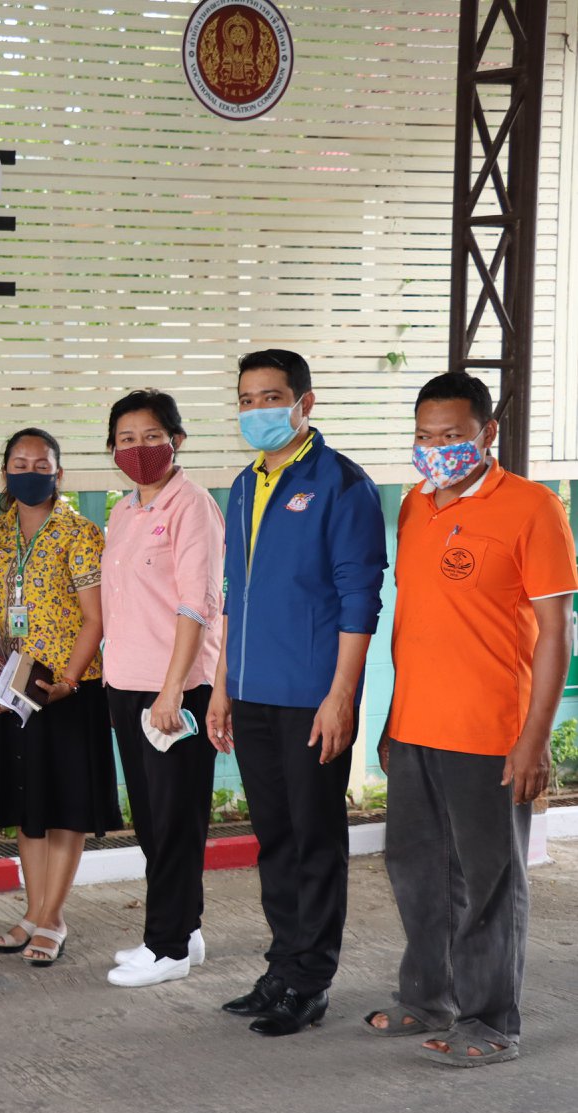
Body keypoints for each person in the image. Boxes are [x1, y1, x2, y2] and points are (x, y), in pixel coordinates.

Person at [366, 373, 576, 1066]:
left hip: (490, 732)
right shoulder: (414, 505)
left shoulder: (533, 508)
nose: (436, 450)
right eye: (424, 437)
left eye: (451, 436)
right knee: (415, 870)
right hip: (416, 726)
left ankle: (490, 1021)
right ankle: (428, 998)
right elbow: (417, 623)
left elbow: (556, 632)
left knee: (489, 882)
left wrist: (534, 740)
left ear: (487, 433)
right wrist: (392, 719)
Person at [206, 349, 387, 1037]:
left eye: (271, 397)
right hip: (251, 693)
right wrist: (222, 686)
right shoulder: (244, 484)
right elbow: (233, 596)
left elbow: (359, 599)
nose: (258, 411)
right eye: (247, 399)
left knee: (314, 839)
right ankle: (281, 968)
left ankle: (310, 982)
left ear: (304, 403)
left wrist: (342, 696)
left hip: (312, 696)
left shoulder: (342, 484)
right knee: (275, 839)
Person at [0, 427, 118, 966]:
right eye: (19, 464)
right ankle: (34, 912)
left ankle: (53, 918)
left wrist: (67, 682)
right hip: (10, 689)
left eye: (41, 464)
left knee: (65, 807)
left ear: (59, 473)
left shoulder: (81, 533)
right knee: (28, 806)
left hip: (66, 690)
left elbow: (96, 619)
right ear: (5, 472)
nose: (30, 473)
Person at [99, 391, 225, 987]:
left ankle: (167, 947)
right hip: (127, 685)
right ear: (112, 449)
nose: (139, 448)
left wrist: (172, 690)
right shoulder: (125, 511)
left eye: (152, 436)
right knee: (152, 820)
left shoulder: (191, 505)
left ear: (177, 440)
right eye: (126, 439)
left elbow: (198, 602)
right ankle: (186, 930)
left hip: (173, 691)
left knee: (175, 819)